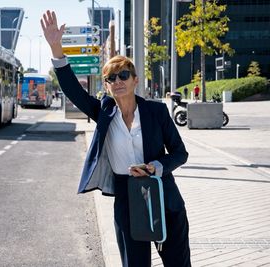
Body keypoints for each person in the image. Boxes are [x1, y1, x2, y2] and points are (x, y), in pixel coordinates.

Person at [41, 10, 191, 267]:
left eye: (123, 75)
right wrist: (56, 48)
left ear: (135, 80)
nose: (118, 81)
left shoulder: (156, 111)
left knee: (178, 263)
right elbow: (73, 90)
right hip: (128, 196)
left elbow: (180, 152)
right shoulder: (103, 112)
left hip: (163, 193)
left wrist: (157, 166)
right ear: (107, 86)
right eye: (111, 77)